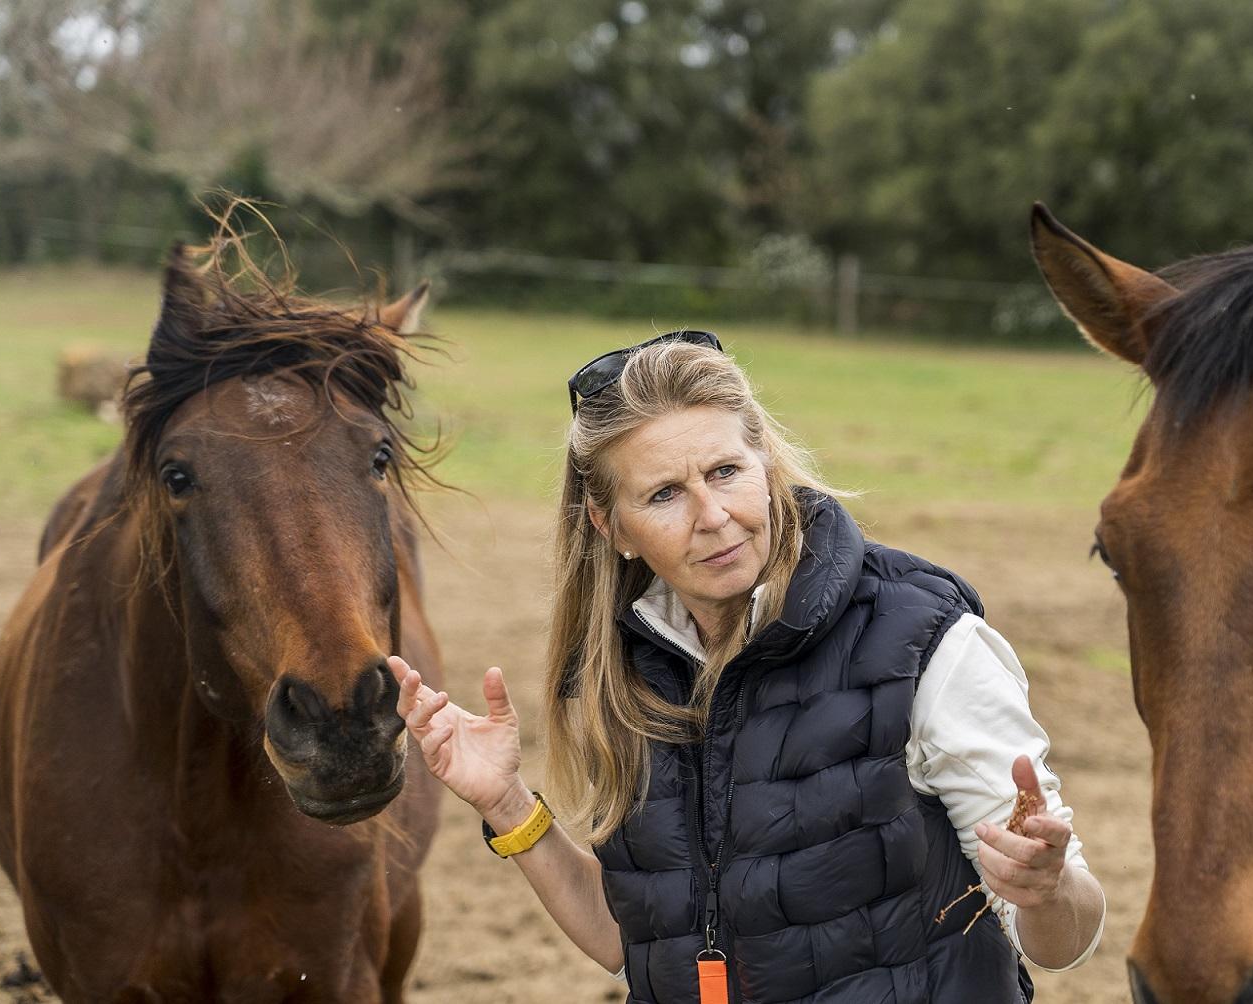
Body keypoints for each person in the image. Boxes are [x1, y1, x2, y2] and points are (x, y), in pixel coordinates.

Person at [389, 330, 1105, 1003]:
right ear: (612, 528)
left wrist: (1043, 890)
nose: (712, 515)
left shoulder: (924, 639)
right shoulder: (622, 672)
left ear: (765, 465)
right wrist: (509, 805)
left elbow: (1062, 941)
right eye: (664, 494)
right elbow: (629, 943)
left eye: (725, 472)